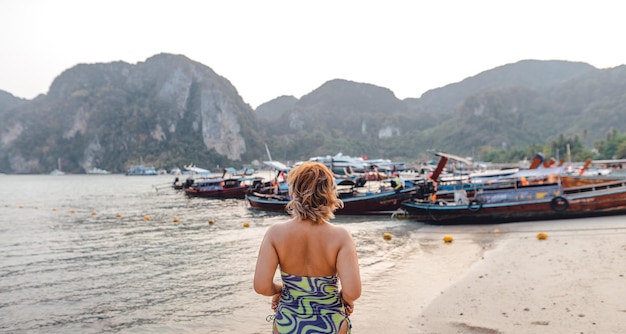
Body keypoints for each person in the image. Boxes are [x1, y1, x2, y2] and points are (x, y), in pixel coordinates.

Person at [254, 161, 362, 334]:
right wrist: (344, 299)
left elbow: (261, 286)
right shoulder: (341, 236)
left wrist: (281, 290)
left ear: (294, 192)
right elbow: (353, 291)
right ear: (329, 194)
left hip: (288, 322)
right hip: (331, 322)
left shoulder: (275, 233)